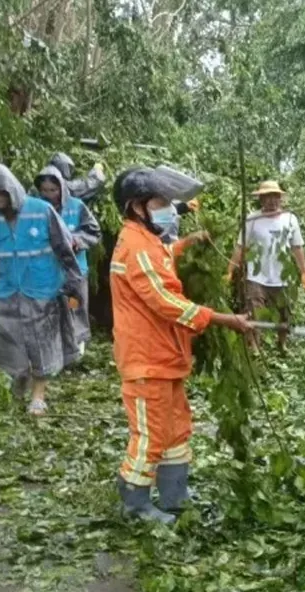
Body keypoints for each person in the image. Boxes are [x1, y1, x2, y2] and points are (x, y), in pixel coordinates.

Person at [110, 166, 253, 524]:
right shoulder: (136, 247)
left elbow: (165, 256)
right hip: (146, 360)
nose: (167, 209)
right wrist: (223, 319)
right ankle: (135, 503)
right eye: (160, 202)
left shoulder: (150, 244)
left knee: (175, 427)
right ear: (138, 207)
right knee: (150, 433)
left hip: (166, 356)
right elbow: (166, 302)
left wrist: (191, 242)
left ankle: (175, 495)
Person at [0, 163, 85, 416]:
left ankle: (38, 396)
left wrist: (73, 289)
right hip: (5, 293)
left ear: (11, 189)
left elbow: (65, 250)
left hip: (42, 291)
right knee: (6, 345)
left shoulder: (42, 211)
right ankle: (17, 385)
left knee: (42, 346)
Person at [224, 180, 305, 352]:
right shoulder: (252, 219)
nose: (272, 201)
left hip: (283, 277)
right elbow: (241, 247)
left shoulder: (290, 219)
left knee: (284, 313)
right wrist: (230, 270)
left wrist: (304, 272)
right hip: (257, 277)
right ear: (261, 199)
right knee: (254, 312)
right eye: (267, 197)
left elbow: (297, 247)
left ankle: (282, 344)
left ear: (281, 198)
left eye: (275, 197)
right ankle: (255, 347)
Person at [34, 165, 100, 349]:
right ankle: (54, 349)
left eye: (53, 190)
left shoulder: (76, 206)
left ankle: (78, 347)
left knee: (74, 306)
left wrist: (76, 241)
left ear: (62, 188)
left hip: (75, 270)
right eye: (45, 190)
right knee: (50, 309)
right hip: (47, 269)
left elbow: (93, 231)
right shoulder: (35, 208)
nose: (49, 194)